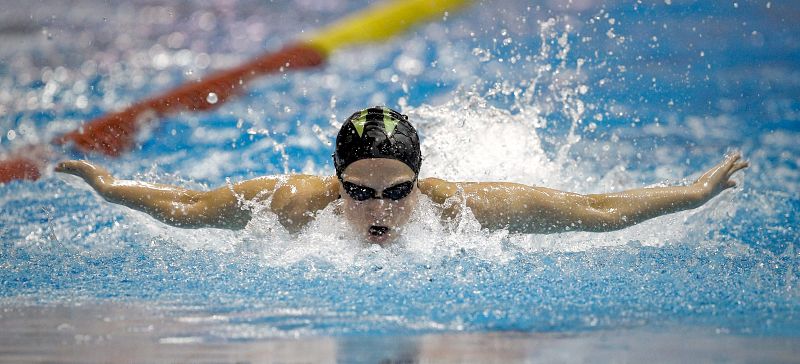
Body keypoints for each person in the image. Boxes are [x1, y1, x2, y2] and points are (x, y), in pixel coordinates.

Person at [56, 106, 749, 245]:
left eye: (396, 192)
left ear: (421, 181)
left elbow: (593, 210)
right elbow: (188, 206)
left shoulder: (462, 211)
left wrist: (692, 194)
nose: (378, 210)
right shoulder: (296, 205)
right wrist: (113, 189)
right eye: (359, 192)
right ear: (336, 183)